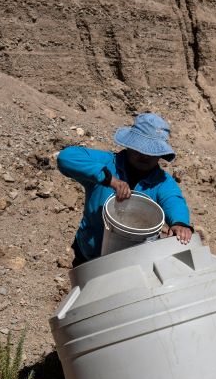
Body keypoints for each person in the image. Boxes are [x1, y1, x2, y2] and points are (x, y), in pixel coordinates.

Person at [57, 112, 193, 266]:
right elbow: (66, 157)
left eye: (152, 152)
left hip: (132, 266)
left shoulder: (162, 182)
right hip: (88, 258)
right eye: (140, 149)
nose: (145, 156)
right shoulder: (107, 164)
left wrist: (180, 223)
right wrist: (108, 179)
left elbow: (173, 200)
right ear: (129, 144)